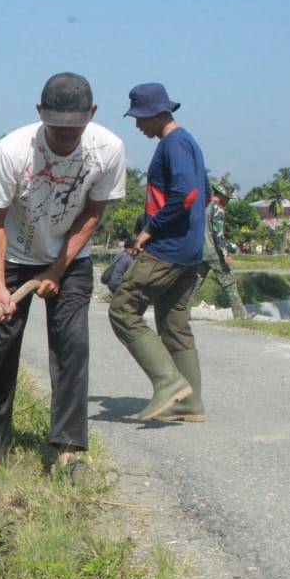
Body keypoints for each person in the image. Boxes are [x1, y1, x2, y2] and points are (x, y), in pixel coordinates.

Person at [0, 72, 126, 478]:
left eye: (74, 128)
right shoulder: (10, 151)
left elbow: (93, 212)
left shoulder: (108, 149)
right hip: (10, 256)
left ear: (92, 113)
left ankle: (68, 452)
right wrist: (0, 287)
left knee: (72, 347)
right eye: (56, 127)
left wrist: (58, 268)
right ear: (40, 112)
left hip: (71, 258)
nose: (65, 136)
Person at [109, 82, 209, 423]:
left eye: (139, 118)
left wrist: (150, 230)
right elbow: (203, 195)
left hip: (167, 249)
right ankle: (189, 404)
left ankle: (168, 382)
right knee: (173, 323)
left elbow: (187, 195)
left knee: (122, 310)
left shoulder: (173, 143)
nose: (138, 125)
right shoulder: (188, 142)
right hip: (189, 249)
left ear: (154, 113)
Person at [194, 184, 253, 320]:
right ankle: (240, 314)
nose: (228, 201)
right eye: (227, 198)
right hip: (214, 252)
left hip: (201, 251)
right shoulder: (218, 209)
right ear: (221, 196)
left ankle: (182, 312)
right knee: (229, 283)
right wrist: (225, 255)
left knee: (195, 282)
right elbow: (218, 234)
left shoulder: (203, 206)